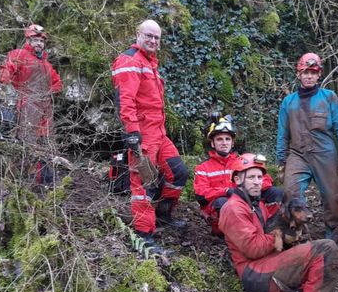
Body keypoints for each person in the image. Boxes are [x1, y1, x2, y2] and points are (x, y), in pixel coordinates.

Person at [219, 153, 338, 292]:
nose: (257, 182)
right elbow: (252, 248)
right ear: (238, 180)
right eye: (251, 177)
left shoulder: (254, 204)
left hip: (266, 264)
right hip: (255, 272)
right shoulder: (234, 208)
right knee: (326, 249)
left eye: (260, 177)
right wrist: (279, 237)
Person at [111, 19, 189, 251]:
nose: (153, 40)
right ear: (138, 35)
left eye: (157, 37)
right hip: (143, 134)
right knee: (144, 185)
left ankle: (163, 214)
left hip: (159, 133)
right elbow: (125, 101)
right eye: (149, 36)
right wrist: (132, 134)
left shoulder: (148, 62)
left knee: (178, 173)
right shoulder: (130, 60)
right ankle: (144, 235)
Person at [276, 53, 338, 243]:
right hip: (297, 154)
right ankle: (295, 234)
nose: (309, 76)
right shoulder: (288, 102)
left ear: (319, 75)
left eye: (313, 72)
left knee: (333, 196)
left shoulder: (329, 97)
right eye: (305, 72)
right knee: (289, 192)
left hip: (325, 153)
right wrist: (281, 161)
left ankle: (335, 238)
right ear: (298, 74)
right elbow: (282, 133)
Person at [193, 114, 282, 236]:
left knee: (275, 193)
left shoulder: (243, 161)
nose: (224, 143)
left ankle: (270, 230)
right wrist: (227, 191)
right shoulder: (203, 168)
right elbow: (201, 194)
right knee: (223, 203)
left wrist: (249, 189)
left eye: (227, 139)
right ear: (212, 144)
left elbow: (265, 180)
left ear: (233, 143)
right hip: (223, 212)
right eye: (219, 139)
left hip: (247, 204)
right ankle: (237, 236)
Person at [0, 24, 63, 184]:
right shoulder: (18, 55)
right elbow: (5, 73)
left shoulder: (46, 64)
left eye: (41, 41)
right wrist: (8, 91)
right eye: (35, 40)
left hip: (45, 109)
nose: (39, 43)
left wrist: (49, 92)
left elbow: (58, 83)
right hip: (27, 106)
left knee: (47, 143)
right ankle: (17, 182)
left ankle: (45, 181)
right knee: (26, 143)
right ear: (27, 40)